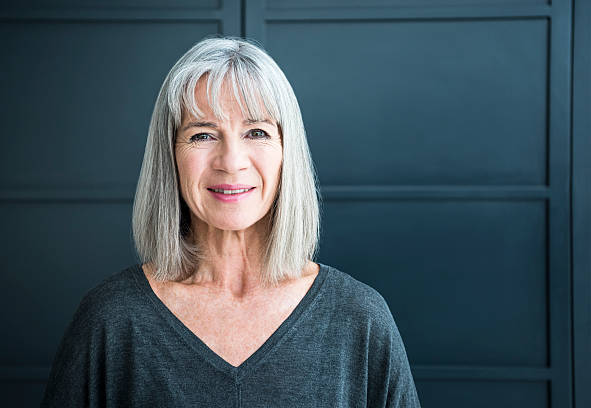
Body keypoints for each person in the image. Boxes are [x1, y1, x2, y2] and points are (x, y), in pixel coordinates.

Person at [40, 36, 421, 407]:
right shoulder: (110, 320)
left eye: (257, 132)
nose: (231, 160)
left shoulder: (360, 318)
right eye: (203, 134)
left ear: (288, 152)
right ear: (169, 157)